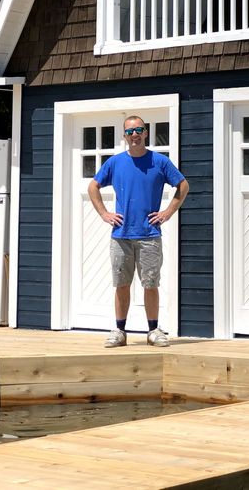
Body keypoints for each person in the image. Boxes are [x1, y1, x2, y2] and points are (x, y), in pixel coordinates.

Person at [87, 115, 189, 348]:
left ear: (145, 134)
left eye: (139, 130)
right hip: (121, 235)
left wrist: (167, 212)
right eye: (130, 131)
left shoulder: (160, 162)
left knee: (150, 284)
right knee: (121, 284)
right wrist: (105, 214)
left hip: (149, 236)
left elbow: (183, 185)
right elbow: (93, 186)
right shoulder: (115, 163)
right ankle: (119, 331)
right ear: (124, 136)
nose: (135, 135)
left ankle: (153, 330)